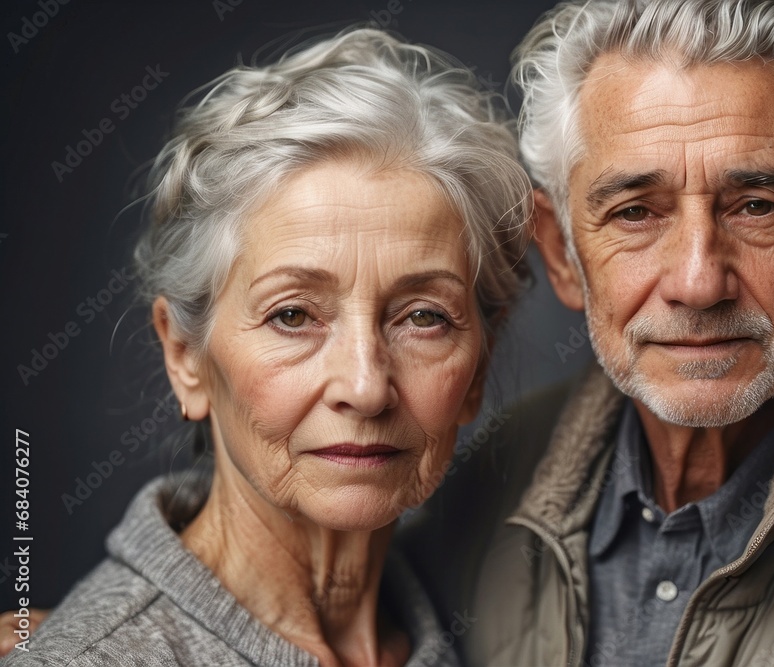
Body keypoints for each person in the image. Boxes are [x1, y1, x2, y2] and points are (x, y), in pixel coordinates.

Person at [398, 0, 774, 665]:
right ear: (562, 252)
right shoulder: (484, 487)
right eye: (635, 212)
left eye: (755, 205)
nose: (699, 280)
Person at [0, 26, 531, 666]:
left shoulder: (483, 624)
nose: (364, 387)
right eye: (293, 315)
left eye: (423, 317)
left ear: (478, 368)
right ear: (185, 358)